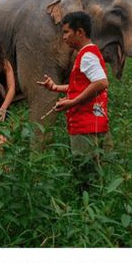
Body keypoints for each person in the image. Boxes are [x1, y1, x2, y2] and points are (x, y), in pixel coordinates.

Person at [37, 11, 110, 186]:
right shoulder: (89, 53)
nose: (64, 37)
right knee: (96, 174)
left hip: (85, 125)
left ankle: (86, 209)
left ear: (80, 32)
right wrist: (56, 88)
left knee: (85, 176)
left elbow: (101, 83)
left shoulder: (87, 56)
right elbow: (84, 86)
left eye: (66, 32)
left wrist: (73, 102)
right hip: (94, 122)